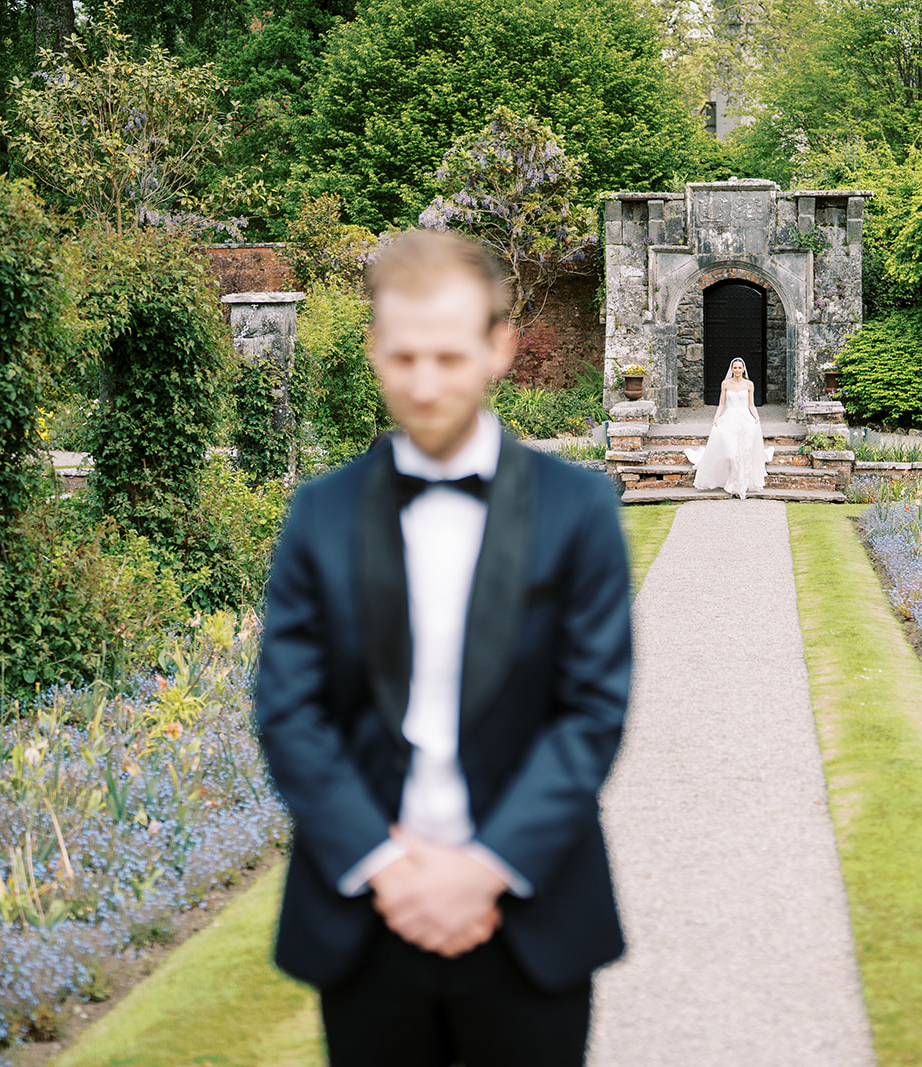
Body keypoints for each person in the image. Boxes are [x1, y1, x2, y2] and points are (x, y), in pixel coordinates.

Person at [254, 228, 632, 1067]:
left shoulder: (578, 511)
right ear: (374, 348)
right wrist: (386, 865)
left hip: (529, 908)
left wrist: (485, 868)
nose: (424, 386)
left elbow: (591, 712)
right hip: (366, 913)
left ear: (500, 347)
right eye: (403, 357)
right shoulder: (320, 514)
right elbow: (289, 710)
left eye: (449, 358)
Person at [684, 358, 775, 498]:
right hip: (730, 418)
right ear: (731, 369)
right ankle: (730, 480)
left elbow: (751, 404)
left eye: (740, 368)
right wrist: (716, 418)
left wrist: (756, 416)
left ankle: (739, 484)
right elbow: (722, 404)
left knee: (744, 452)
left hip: (744, 418)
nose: (737, 370)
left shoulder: (749, 384)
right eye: (735, 368)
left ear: (743, 369)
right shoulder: (725, 384)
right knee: (730, 453)